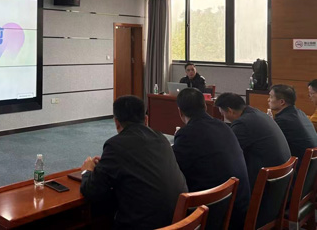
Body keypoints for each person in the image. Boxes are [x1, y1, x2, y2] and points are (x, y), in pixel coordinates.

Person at [80, 95, 187, 230]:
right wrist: (107, 165)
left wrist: (87, 170)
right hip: (179, 222)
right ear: (146, 119)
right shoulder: (161, 139)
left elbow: (91, 191)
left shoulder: (115, 145)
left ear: (116, 122)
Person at [173, 88, 250, 229]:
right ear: (205, 106)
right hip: (238, 208)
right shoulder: (224, 126)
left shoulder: (186, 134)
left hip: (214, 215)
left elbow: (174, 171)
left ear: (180, 112)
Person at [215, 93, 291, 189]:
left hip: (267, 184)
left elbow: (228, 154)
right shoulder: (256, 113)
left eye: (222, 114)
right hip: (281, 179)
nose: (223, 117)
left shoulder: (242, 123)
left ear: (230, 111)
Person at [268, 84, 317, 165]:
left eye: (271, 97)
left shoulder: (283, 120)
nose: (268, 99)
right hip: (312, 167)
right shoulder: (300, 113)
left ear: (282, 102)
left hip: (300, 167)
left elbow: (272, 145)